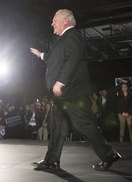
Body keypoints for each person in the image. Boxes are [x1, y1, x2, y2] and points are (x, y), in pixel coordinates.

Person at [30, 9, 120, 171]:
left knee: (82, 124)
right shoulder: (64, 39)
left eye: (54, 20)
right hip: (63, 95)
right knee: (57, 126)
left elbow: (72, 60)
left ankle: (109, 154)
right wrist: (41, 55)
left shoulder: (73, 36)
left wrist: (60, 82)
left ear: (65, 21)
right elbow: (54, 58)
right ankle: (52, 161)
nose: (52, 24)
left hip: (72, 93)